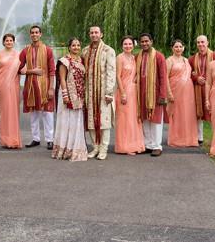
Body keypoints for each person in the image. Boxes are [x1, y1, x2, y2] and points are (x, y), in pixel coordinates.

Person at [82, 25, 116, 160]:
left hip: (103, 91)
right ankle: (95, 147)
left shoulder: (108, 51)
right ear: (89, 35)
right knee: (91, 120)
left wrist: (109, 92)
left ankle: (103, 148)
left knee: (104, 121)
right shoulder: (85, 51)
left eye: (96, 32)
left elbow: (111, 72)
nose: (94, 35)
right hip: (89, 91)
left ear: (101, 34)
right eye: (91, 33)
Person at [19, 25, 55, 149]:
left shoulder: (47, 50)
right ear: (30, 35)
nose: (34, 34)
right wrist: (32, 71)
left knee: (47, 113)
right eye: (32, 33)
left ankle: (50, 139)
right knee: (34, 113)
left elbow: (52, 71)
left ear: (40, 34)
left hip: (45, 86)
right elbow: (19, 69)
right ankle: (36, 139)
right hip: (31, 87)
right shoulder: (25, 51)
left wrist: (51, 88)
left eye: (36, 32)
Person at [51, 38, 88, 161]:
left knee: (76, 122)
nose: (76, 47)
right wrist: (65, 95)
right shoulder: (64, 61)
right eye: (73, 45)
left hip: (79, 95)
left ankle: (75, 147)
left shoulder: (81, 60)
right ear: (69, 47)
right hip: (67, 95)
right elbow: (62, 79)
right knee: (66, 121)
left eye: (78, 45)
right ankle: (65, 149)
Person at [135, 33, 168, 156]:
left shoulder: (159, 56)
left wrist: (162, 94)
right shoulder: (137, 56)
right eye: (142, 42)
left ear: (151, 41)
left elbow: (163, 76)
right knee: (144, 119)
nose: (144, 43)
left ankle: (157, 145)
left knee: (155, 120)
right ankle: (148, 144)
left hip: (155, 93)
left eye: (146, 41)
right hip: (141, 93)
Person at [114, 35, 145, 155]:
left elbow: (137, 72)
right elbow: (118, 76)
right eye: (125, 44)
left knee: (134, 119)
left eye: (130, 44)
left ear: (133, 45)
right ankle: (125, 146)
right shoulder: (120, 58)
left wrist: (136, 77)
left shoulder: (134, 58)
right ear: (122, 46)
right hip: (124, 91)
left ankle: (134, 145)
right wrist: (122, 93)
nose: (128, 46)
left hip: (134, 91)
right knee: (124, 119)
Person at [166, 39, 199, 147]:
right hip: (175, 91)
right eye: (176, 47)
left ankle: (188, 139)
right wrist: (169, 93)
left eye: (180, 46)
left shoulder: (186, 60)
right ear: (172, 48)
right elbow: (165, 78)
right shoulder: (169, 60)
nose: (178, 49)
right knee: (177, 114)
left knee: (187, 114)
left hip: (188, 92)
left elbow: (189, 74)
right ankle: (176, 139)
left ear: (183, 48)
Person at [188, 35, 215, 144]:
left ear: (207, 43)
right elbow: (187, 73)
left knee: (214, 113)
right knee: (198, 113)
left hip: (212, 89)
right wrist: (196, 78)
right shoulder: (192, 59)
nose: (200, 44)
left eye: (202, 42)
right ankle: (199, 137)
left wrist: (208, 79)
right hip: (197, 89)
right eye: (198, 42)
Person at [0, 33, 22, 149]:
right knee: (4, 111)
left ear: (14, 42)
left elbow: (23, 69)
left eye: (11, 40)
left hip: (14, 85)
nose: (9, 42)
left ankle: (14, 139)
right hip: (2, 85)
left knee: (13, 111)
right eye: (7, 40)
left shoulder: (18, 55)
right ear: (3, 42)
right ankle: (5, 140)